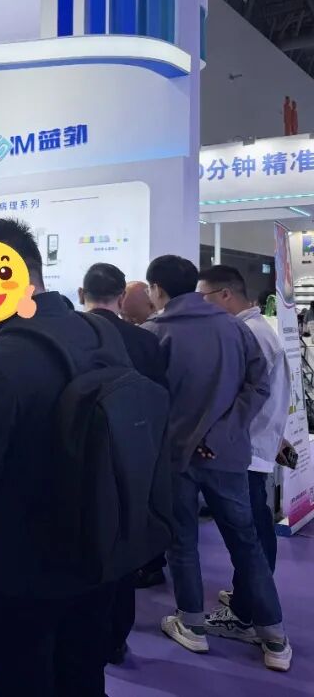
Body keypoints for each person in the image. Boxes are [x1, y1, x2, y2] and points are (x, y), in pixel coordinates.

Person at [0, 220, 125, 697]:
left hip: (26, 564)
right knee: (84, 676)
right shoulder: (100, 333)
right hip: (101, 544)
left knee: (22, 679)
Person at [143, 256, 291, 672]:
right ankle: (274, 637)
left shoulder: (154, 333)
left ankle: (192, 624)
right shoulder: (235, 328)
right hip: (227, 455)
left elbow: (146, 400)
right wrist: (222, 434)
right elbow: (259, 386)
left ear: (157, 289)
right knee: (246, 543)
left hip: (174, 457)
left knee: (182, 542)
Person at [78, 262, 170, 664]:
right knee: (126, 543)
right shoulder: (146, 341)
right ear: (121, 297)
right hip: (137, 457)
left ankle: (89, 638)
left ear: (82, 294)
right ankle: (117, 636)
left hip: (86, 459)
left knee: (90, 544)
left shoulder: (71, 336)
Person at [195, 266, 290, 638]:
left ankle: (248, 610)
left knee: (250, 534)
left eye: (203, 297)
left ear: (224, 295)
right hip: (252, 444)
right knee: (254, 527)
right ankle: (249, 596)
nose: (200, 305)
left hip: (244, 448)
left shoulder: (248, 334)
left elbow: (244, 397)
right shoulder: (257, 329)